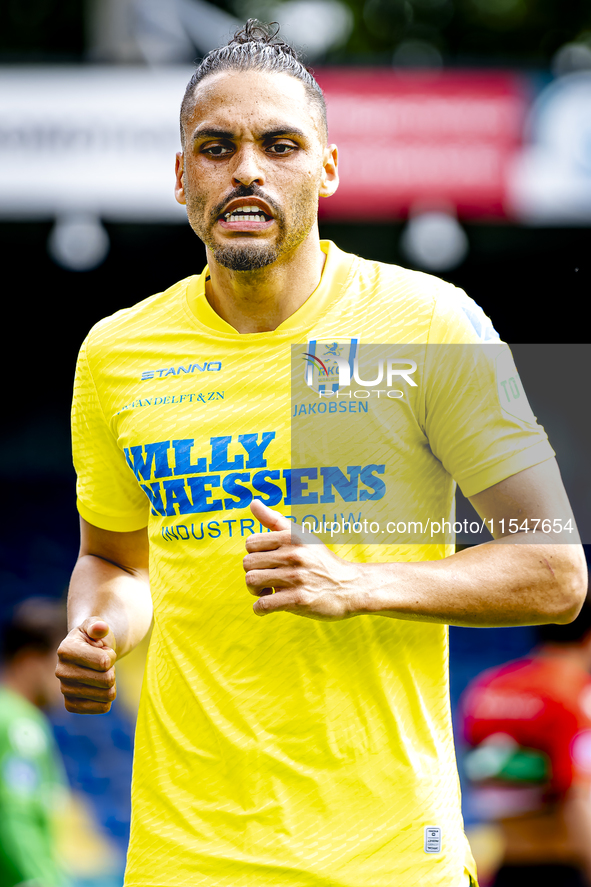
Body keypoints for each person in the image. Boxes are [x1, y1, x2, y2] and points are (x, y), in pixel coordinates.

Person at [55, 20, 587, 887]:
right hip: (185, 855)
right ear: (182, 176)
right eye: (217, 147)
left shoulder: (424, 324)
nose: (248, 170)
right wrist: (102, 623)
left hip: (386, 857)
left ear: (328, 170)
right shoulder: (115, 353)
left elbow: (556, 573)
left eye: (281, 145)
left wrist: (358, 582)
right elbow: (112, 559)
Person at [461, 586, 591, 887]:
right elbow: (578, 798)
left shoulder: (487, 688)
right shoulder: (574, 694)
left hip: (507, 864)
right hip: (563, 868)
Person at [0, 598, 69, 887]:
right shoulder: (19, 724)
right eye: (60, 662)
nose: (65, 677)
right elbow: (14, 813)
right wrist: (36, 880)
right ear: (29, 661)